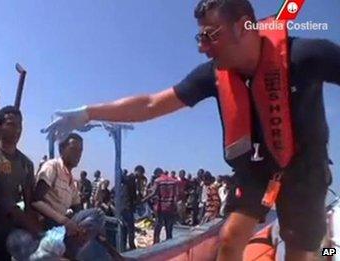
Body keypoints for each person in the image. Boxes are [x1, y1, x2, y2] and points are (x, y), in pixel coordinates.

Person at [43, 0, 340, 258]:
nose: (203, 48)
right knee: (230, 239)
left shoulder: (307, 55)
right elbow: (151, 104)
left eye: (211, 35)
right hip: (254, 172)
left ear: (243, 26)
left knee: (300, 252)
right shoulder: (212, 76)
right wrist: (87, 113)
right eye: (200, 37)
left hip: (303, 170)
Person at [0, 106, 41, 260]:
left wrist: (34, 228)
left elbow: (29, 202)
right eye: (11, 124)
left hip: (6, 231)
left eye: (20, 125)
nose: (17, 130)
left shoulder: (26, 164)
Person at [32, 133, 104, 259]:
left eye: (80, 151)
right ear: (61, 149)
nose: (78, 154)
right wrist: (64, 220)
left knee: (95, 236)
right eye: (73, 149)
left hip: (62, 227)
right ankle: (67, 251)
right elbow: (36, 200)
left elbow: (78, 209)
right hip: (48, 224)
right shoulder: (52, 167)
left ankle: (70, 249)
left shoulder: (71, 181)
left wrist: (86, 229)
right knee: (98, 213)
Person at [143, 168, 178, 244]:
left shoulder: (158, 181)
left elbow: (154, 193)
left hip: (160, 208)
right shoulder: (173, 181)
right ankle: (169, 247)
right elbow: (176, 195)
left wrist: (144, 200)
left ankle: (155, 246)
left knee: (157, 229)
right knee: (169, 230)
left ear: (157, 174)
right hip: (170, 207)